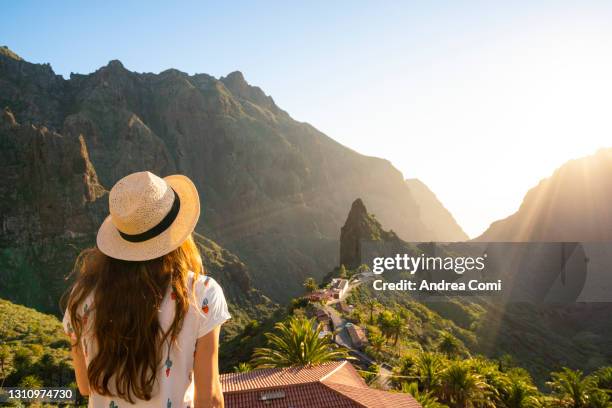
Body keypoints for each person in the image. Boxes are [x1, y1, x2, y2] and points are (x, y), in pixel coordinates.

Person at [62, 171, 230, 407]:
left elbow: (84, 385)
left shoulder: (81, 298)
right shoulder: (201, 294)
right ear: (177, 232)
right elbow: (209, 398)